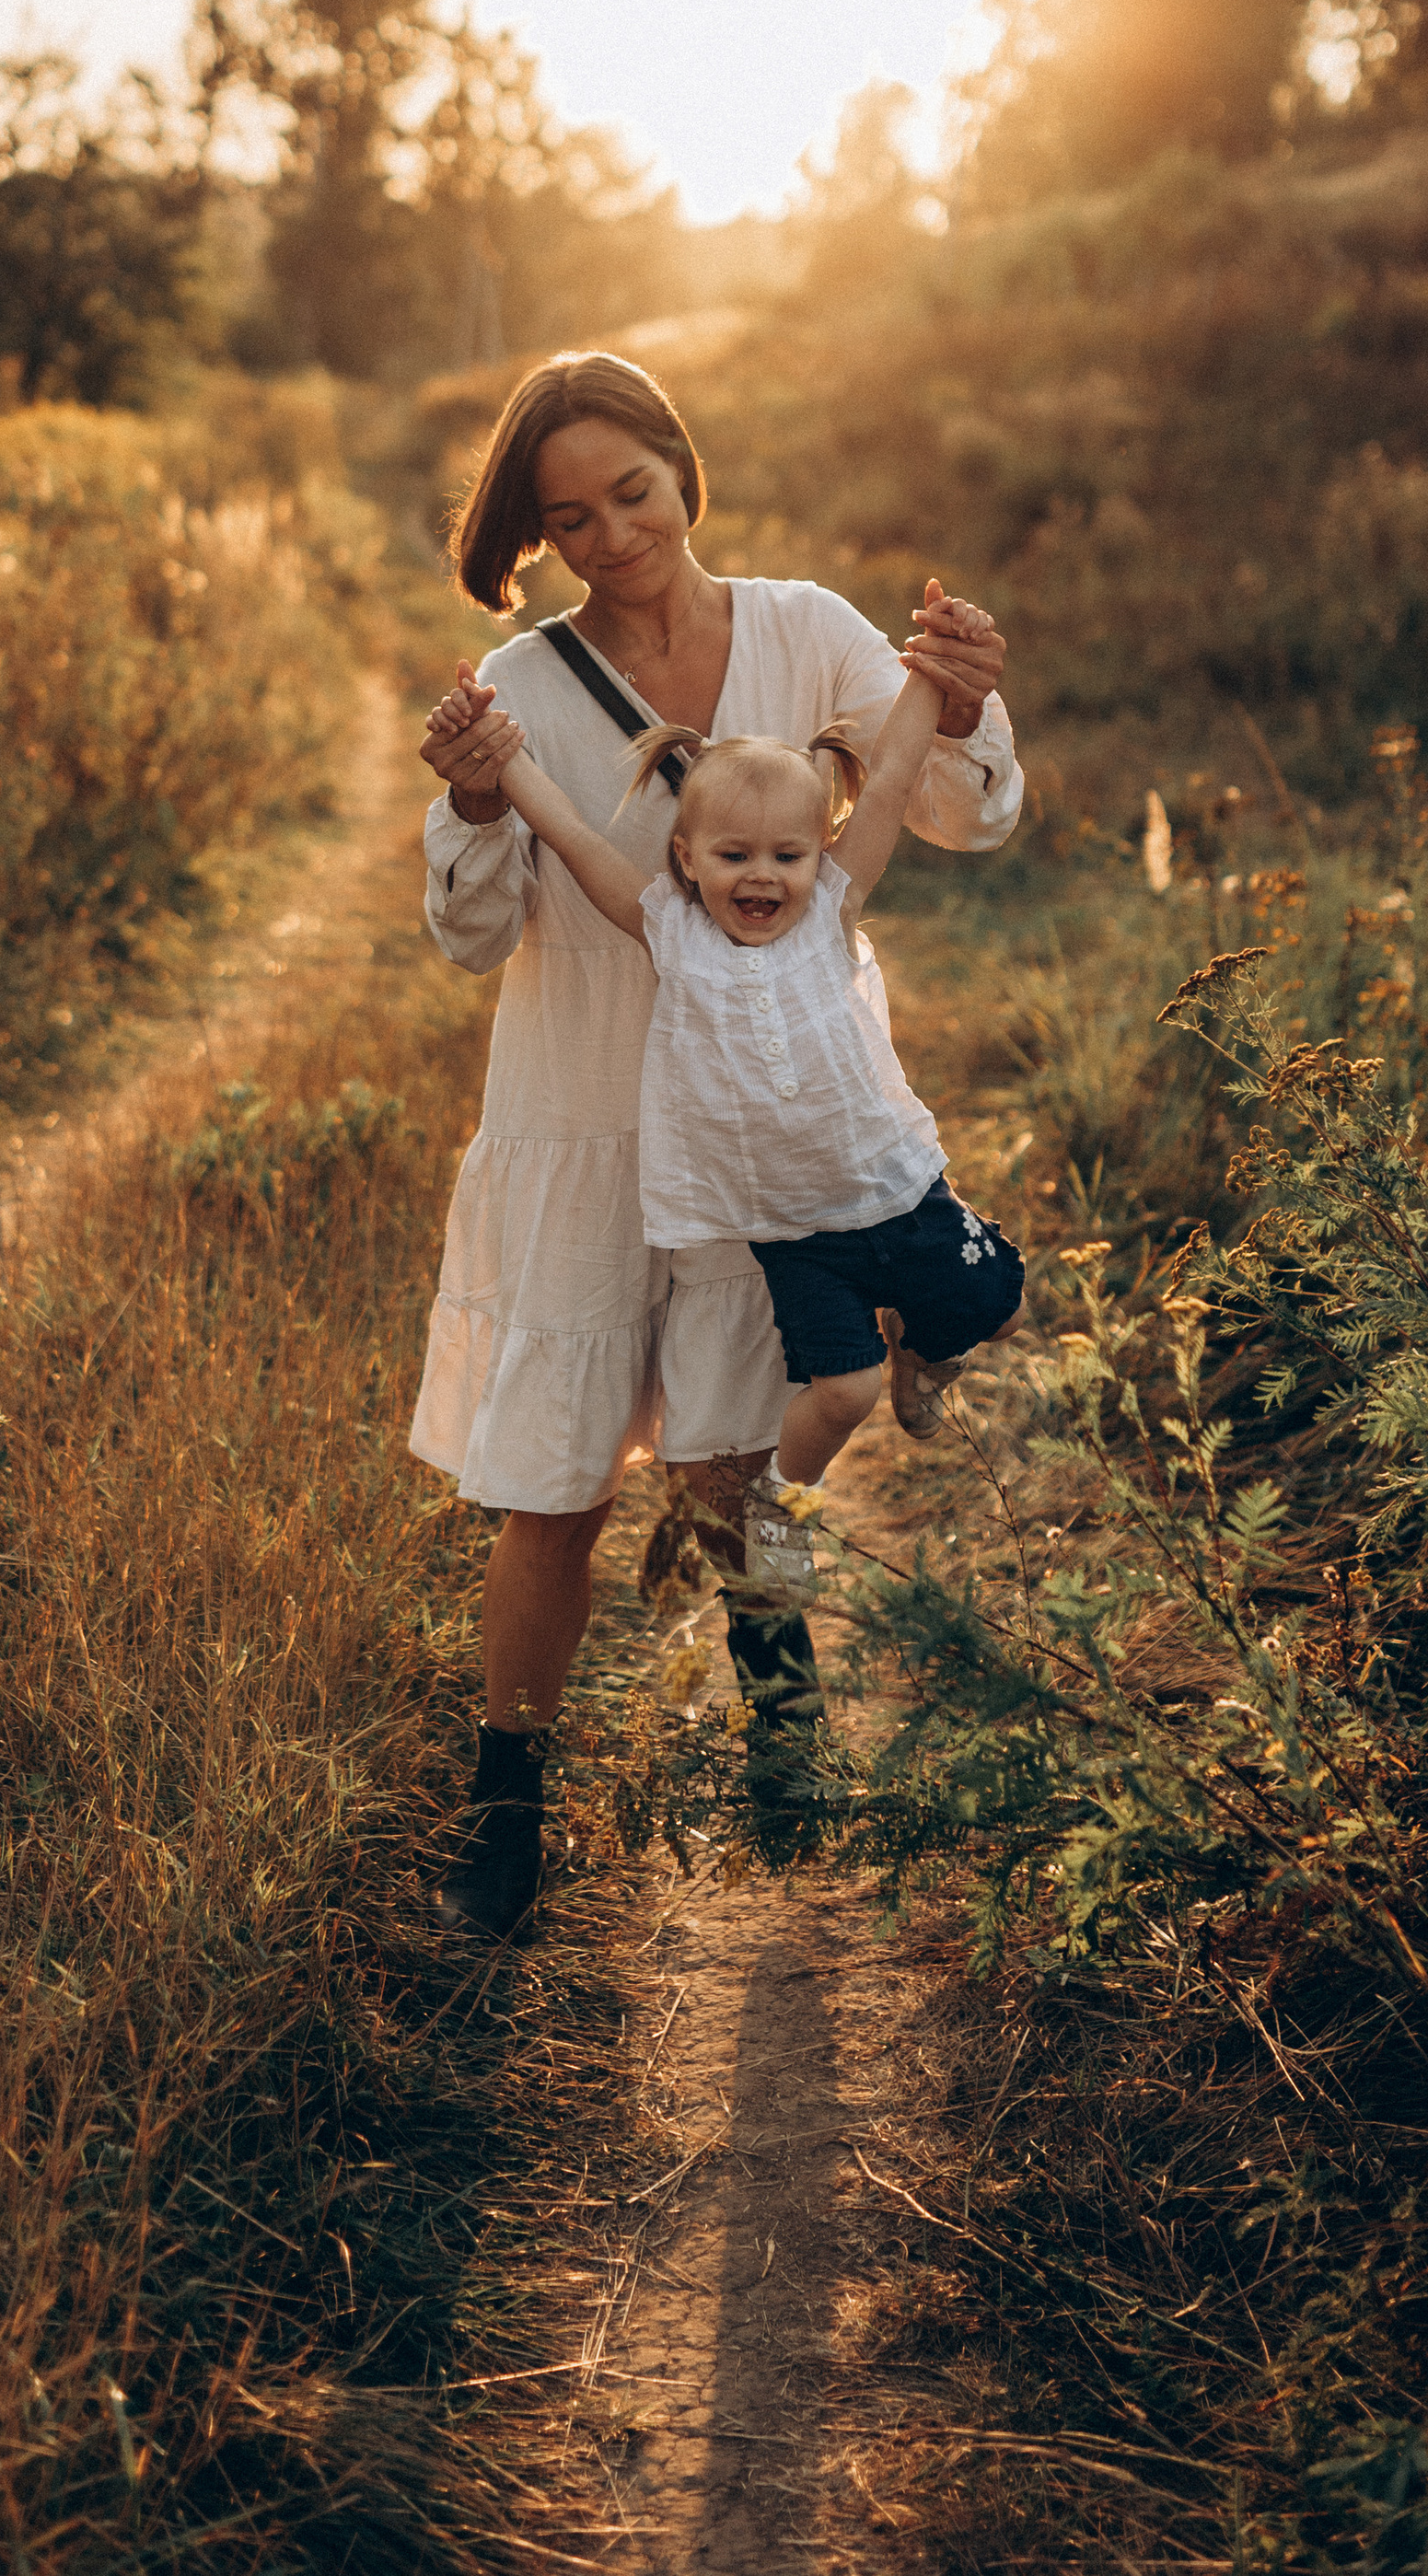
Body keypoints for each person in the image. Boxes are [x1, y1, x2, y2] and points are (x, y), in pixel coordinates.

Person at [413, 351, 1022, 1943]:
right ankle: (507, 1809)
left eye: (633, 489)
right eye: (569, 516)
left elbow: (958, 813)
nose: (613, 532)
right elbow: (472, 932)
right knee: (552, 1489)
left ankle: (784, 1735)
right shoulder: (522, 689)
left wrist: (958, 693)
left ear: (682, 467)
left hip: (766, 1146)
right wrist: (479, 804)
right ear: (533, 536)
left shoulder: (811, 626)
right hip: (586, 1124)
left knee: (732, 1464)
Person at [448, 667, 1026, 1604]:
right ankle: (783, 1522)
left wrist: (925, 679)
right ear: (685, 859)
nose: (762, 875)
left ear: (817, 859)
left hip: (895, 1191)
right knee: (842, 1394)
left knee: (1002, 1309)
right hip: (795, 1237)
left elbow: (881, 790)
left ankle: (932, 1341)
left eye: (788, 857)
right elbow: (573, 838)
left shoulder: (829, 918)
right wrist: (502, 759)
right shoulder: (668, 933)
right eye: (733, 855)